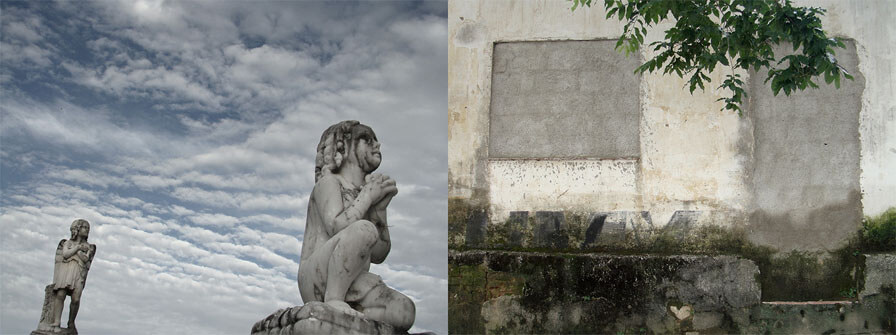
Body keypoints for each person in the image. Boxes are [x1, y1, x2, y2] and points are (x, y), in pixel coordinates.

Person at [297, 120, 415, 331]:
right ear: (343, 147)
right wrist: (367, 196)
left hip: (354, 278)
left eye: (375, 140)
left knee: (404, 310)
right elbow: (337, 226)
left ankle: (354, 319)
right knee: (364, 229)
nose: (377, 145)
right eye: (367, 139)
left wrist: (379, 211)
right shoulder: (329, 183)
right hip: (318, 275)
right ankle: (334, 300)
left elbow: (378, 254)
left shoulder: (364, 193)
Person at [50, 219, 96, 333]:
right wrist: (78, 248)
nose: (87, 230)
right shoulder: (68, 243)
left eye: (88, 228)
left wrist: (78, 252)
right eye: (85, 227)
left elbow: (85, 260)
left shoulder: (89, 246)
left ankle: (71, 322)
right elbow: (65, 255)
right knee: (61, 294)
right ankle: (56, 322)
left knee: (76, 299)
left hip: (79, 272)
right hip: (66, 271)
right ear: (77, 229)